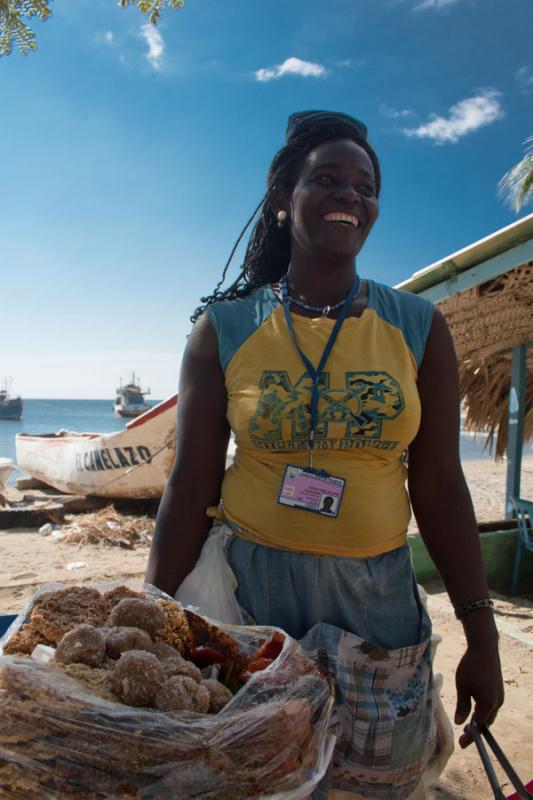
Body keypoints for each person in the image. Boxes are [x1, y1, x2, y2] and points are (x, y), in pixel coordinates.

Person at [146, 110, 504, 798]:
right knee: (257, 778)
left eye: (364, 186)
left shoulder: (417, 326)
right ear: (282, 199)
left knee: (374, 781)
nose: (350, 196)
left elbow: (436, 486)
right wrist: (154, 614)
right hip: (253, 595)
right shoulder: (223, 328)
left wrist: (480, 635)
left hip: (377, 600)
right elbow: (190, 489)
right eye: (328, 179)